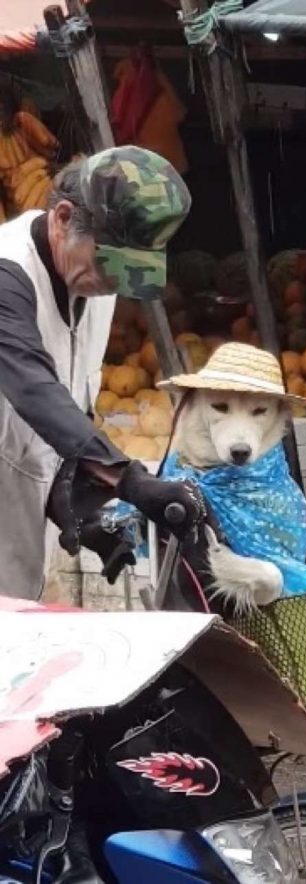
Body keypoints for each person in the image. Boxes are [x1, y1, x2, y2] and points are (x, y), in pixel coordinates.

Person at [0, 145, 203, 600]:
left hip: (18, 550)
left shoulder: (94, 288)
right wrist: (131, 479)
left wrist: (82, 512)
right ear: (63, 217)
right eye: (107, 264)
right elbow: (35, 393)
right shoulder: (7, 276)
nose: (113, 284)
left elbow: (64, 415)